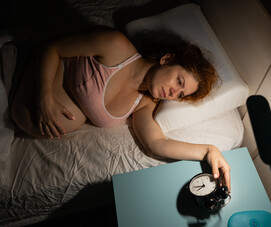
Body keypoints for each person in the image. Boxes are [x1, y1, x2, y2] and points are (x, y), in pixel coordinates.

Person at [10, 26, 231, 190]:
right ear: (166, 59)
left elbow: (156, 144)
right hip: (14, 77)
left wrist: (208, 150)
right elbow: (51, 48)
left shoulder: (144, 104)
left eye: (181, 94)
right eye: (179, 81)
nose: (173, 93)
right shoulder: (116, 46)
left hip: (11, 119)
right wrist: (44, 99)